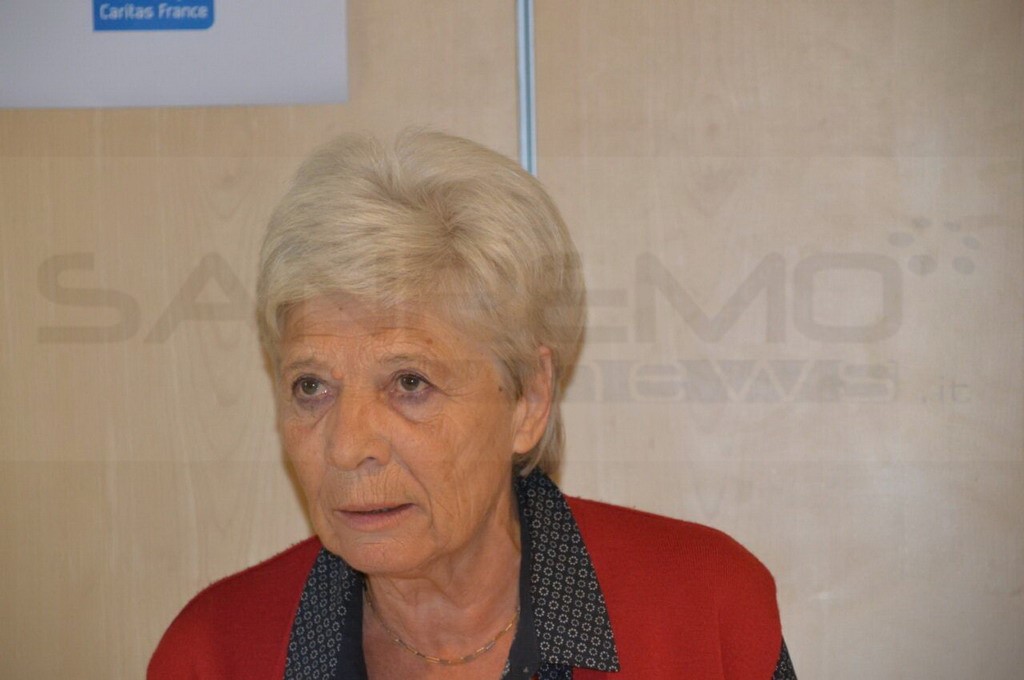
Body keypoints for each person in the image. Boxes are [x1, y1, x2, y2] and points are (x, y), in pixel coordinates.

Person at [149, 131, 796, 679]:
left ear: (528, 399)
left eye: (409, 383)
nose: (347, 446)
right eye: (311, 387)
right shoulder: (214, 654)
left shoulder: (705, 616)